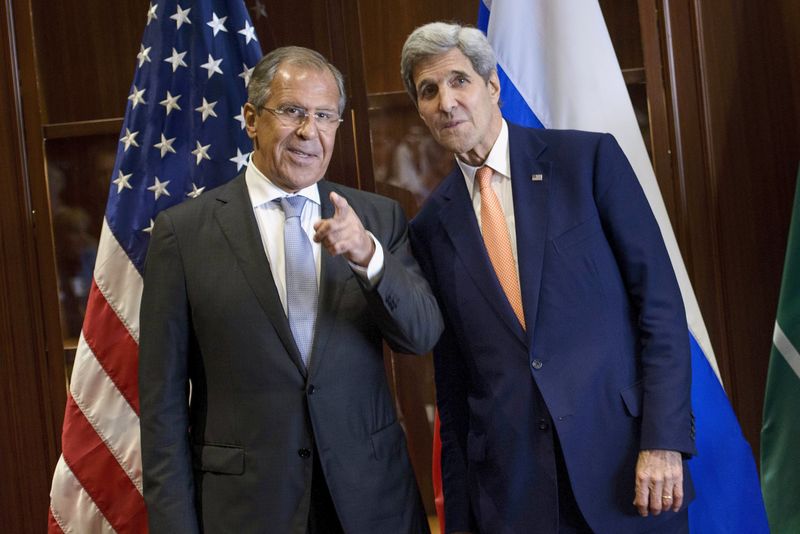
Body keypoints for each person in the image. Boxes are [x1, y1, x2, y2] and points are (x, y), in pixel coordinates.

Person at [402, 23, 695, 534]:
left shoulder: (586, 161)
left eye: (458, 81)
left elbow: (661, 307)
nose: (446, 101)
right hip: (514, 495)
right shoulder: (429, 228)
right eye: (429, 91)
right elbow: (452, 384)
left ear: (492, 86)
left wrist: (663, 440)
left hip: (629, 468)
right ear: (421, 110)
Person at [139, 46, 442, 534]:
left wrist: (368, 256)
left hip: (371, 500)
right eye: (292, 111)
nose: (309, 132)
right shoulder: (183, 233)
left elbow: (421, 335)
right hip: (248, 507)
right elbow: (162, 404)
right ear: (252, 118)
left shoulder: (376, 218)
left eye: (324, 116)